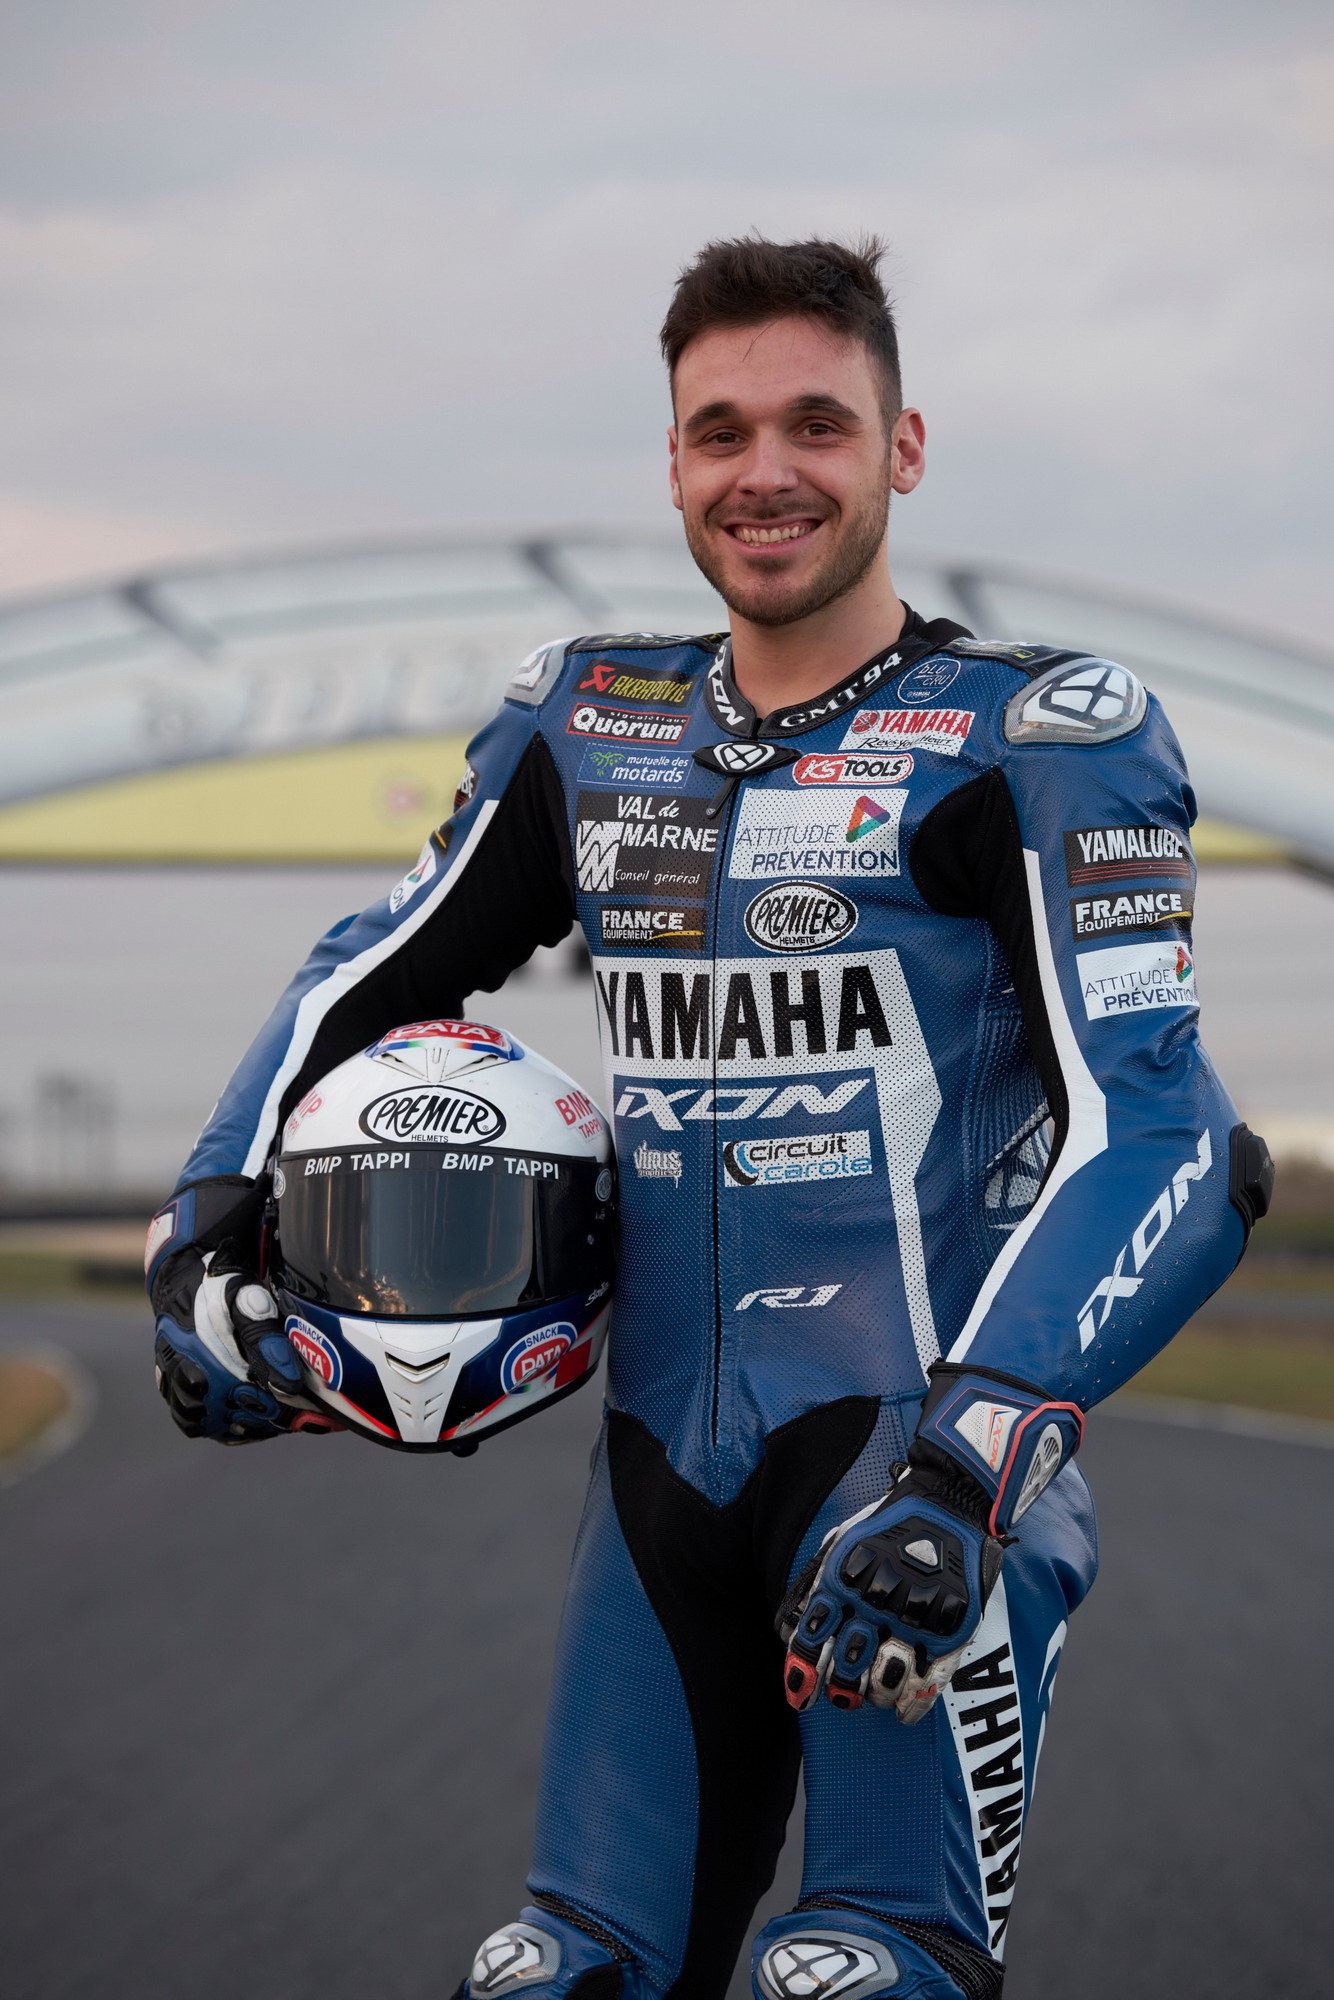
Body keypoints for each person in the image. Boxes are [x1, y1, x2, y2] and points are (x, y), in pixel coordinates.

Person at [146, 237, 1270, 2000]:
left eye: (817, 424)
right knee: (558, 1977)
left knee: (862, 1975)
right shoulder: (587, 723)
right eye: (719, 431)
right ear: (670, 462)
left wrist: (968, 1468)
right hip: (657, 1479)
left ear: (902, 449)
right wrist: (204, 1236)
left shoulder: (1039, 738)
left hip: (917, 1489)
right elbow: (363, 974)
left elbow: (1173, 1141)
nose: (766, 473)